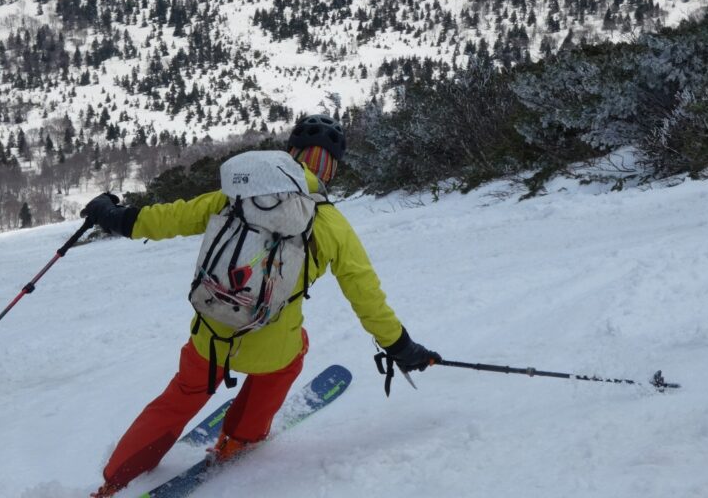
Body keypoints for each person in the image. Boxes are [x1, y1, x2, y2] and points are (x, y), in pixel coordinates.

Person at [81, 114, 440, 498]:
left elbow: (167, 218)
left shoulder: (237, 196)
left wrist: (111, 215)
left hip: (211, 335)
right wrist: (401, 347)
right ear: (332, 170)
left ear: (291, 153)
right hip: (272, 347)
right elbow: (367, 298)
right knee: (293, 353)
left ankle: (115, 480)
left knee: (181, 396)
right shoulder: (333, 225)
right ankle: (239, 439)